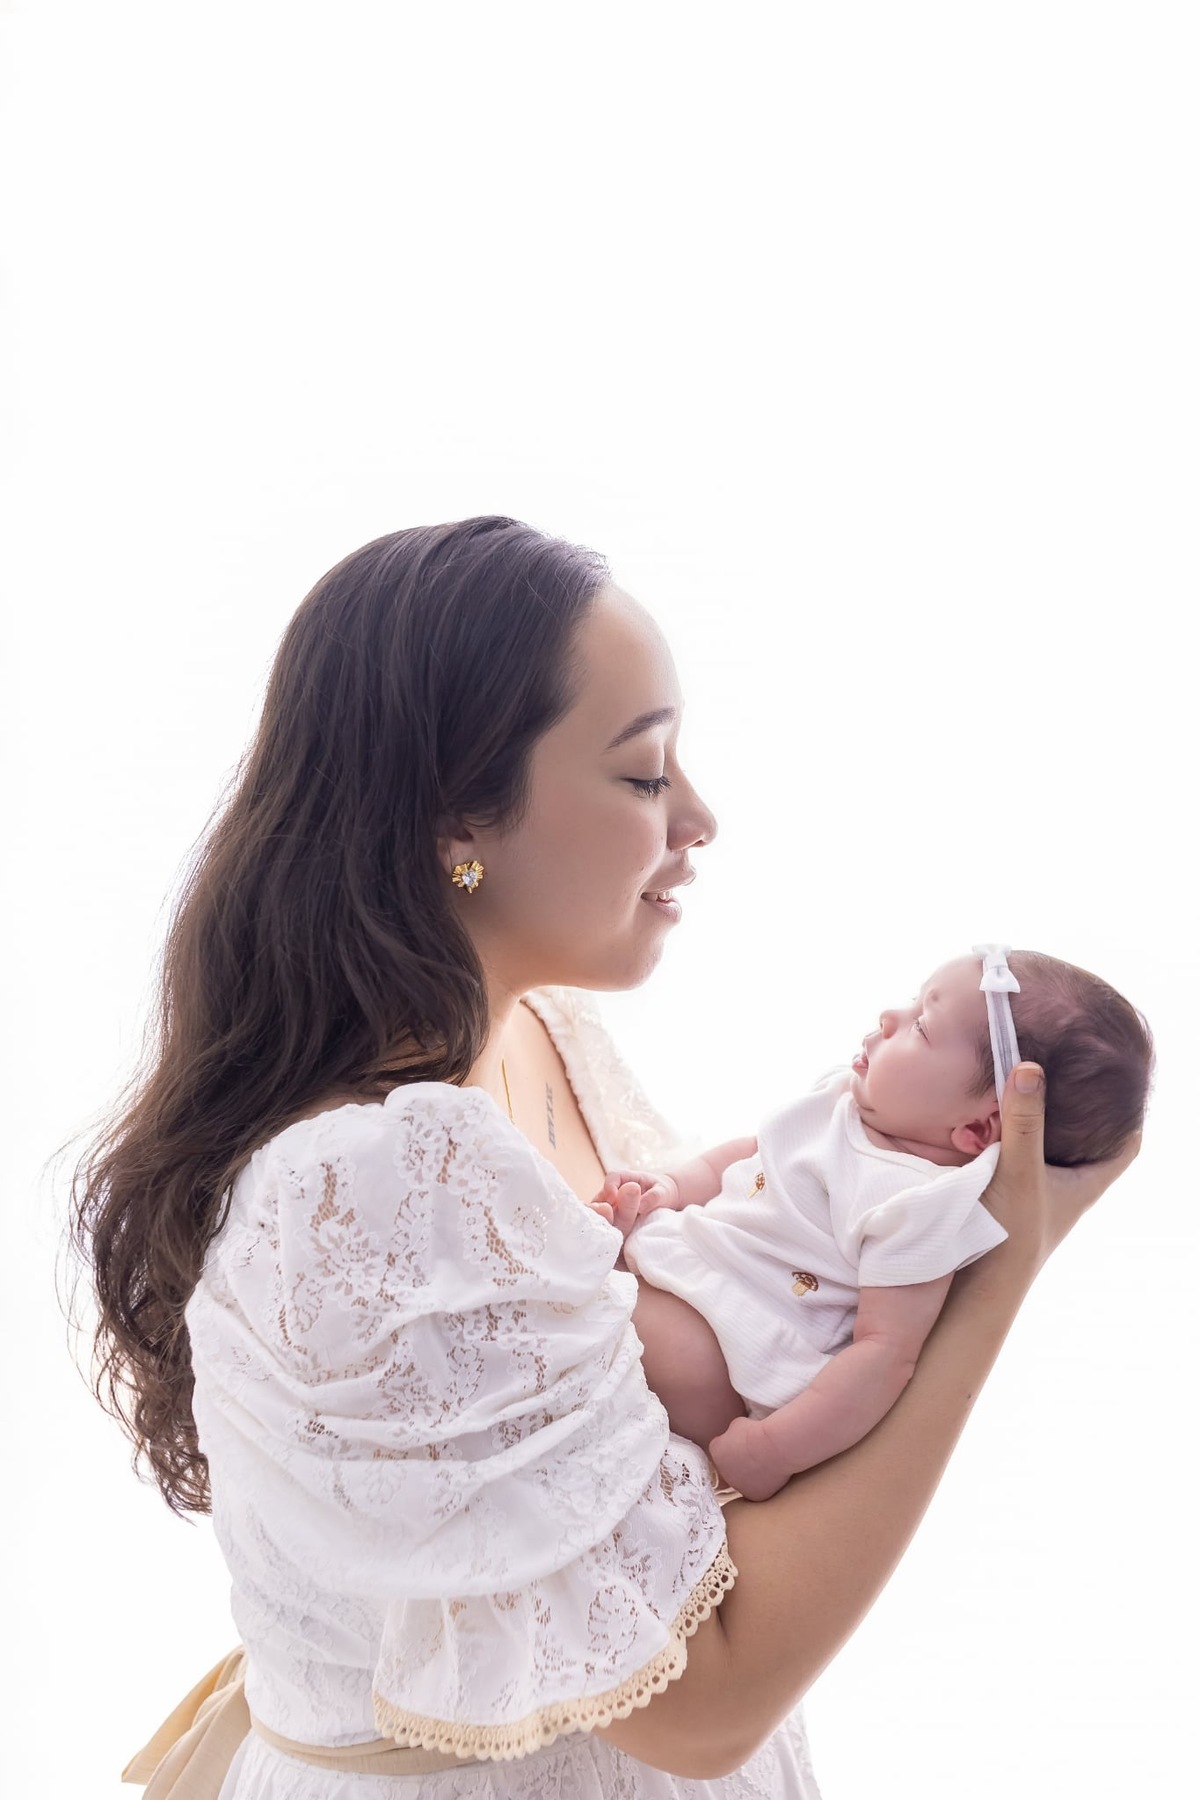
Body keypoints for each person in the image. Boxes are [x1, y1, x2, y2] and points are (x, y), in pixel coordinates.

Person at [71, 518, 1137, 1799]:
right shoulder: (377, 1176)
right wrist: (997, 1270)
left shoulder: (549, 1038)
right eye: (642, 776)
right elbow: (706, 1704)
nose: (700, 816)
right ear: (457, 814)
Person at [599, 948, 1152, 1501]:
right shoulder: (846, 1098)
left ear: (978, 1129)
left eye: (922, 1026)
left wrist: (775, 1449)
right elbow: (751, 1153)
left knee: (593, 1301)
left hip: (726, 1349)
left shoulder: (919, 1204)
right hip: (688, 1264)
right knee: (586, 1262)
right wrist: (670, 1188)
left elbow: (883, 1356)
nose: (890, 1017)